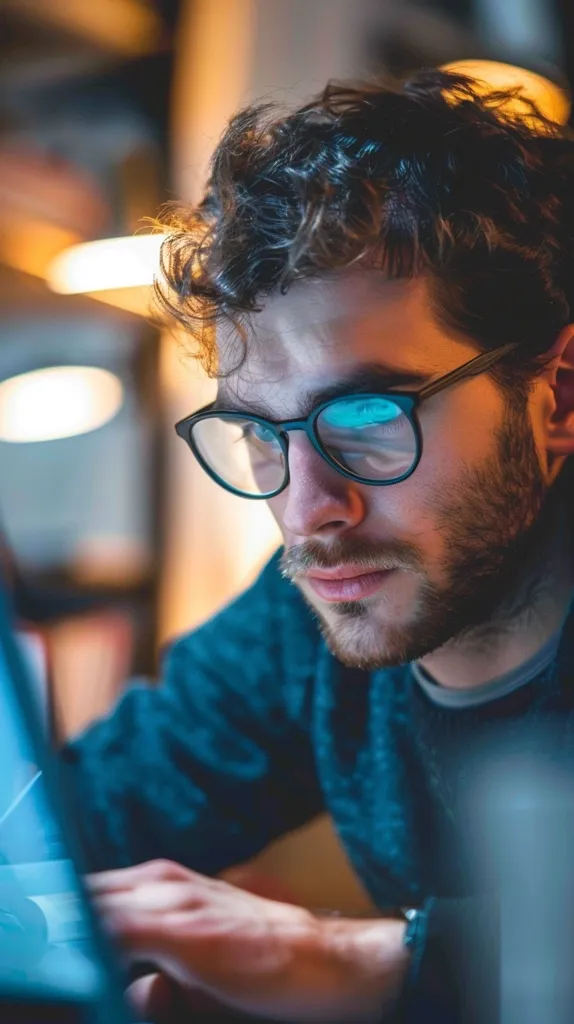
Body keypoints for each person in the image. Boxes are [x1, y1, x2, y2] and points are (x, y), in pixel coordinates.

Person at [62, 70, 574, 1022]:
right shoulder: (314, 608)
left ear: (559, 394)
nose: (308, 513)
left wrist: (368, 961)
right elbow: (75, 824)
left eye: (371, 415)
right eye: (262, 432)